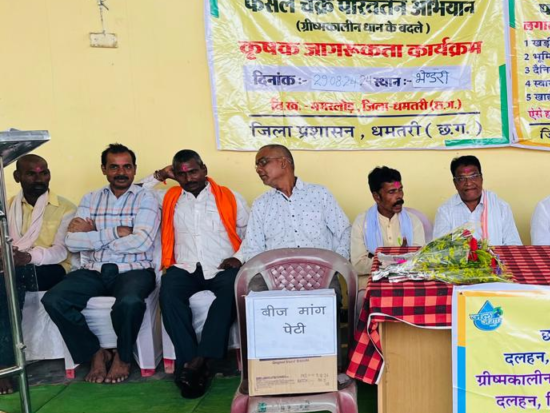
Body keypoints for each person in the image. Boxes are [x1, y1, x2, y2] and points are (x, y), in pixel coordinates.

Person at [42, 144, 160, 384]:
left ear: (134, 169)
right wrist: (116, 232)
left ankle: (123, 357)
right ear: (104, 169)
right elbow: (72, 242)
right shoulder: (91, 198)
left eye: (127, 167)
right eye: (114, 167)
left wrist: (94, 234)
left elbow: (142, 242)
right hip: (93, 270)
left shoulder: (146, 198)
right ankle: (95, 352)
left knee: (130, 302)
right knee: (54, 299)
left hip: (134, 269)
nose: (121, 172)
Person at [153, 150, 249, 399]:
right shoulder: (168, 198)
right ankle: (194, 363)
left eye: (193, 171)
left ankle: (197, 362)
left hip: (221, 266)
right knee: (168, 294)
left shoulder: (230, 197)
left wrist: (238, 258)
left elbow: (251, 234)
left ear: (204, 169)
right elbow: (136, 193)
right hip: (184, 266)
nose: (189, 178)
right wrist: (160, 175)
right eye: (181, 174)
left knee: (232, 291)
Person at [0, 155, 76, 393]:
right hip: (15, 268)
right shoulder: (7, 207)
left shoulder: (65, 207)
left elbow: (62, 250)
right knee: (7, 281)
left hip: (54, 269)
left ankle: (5, 364)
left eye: (44, 173)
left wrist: (27, 257)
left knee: (9, 282)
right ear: (17, 177)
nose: (39, 178)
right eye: (31, 174)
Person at [230, 145, 351, 263]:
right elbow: (253, 248)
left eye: (263, 162)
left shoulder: (319, 194)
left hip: (321, 271)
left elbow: (344, 231)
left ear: (283, 162)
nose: (258, 169)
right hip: (276, 274)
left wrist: (336, 263)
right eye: (257, 165)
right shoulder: (260, 204)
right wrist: (266, 273)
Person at [351, 166, 425, 290]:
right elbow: (358, 264)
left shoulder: (413, 221)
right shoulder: (362, 223)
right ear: (376, 197)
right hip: (372, 282)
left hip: (405, 280)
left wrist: (380, 260)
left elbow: (419, 259)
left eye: (400, 190)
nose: (399, 196)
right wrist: (398, 259)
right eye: (392, 192)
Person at [433, 155, 521, 245]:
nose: (468, 183)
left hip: (495, 254)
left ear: (481, 178)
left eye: (473, 176)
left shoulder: (501, 207)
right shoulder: (445, 211)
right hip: (459, 255)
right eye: (462, 178)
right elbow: (439, 247)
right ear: (455, 183)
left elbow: (513, 244)